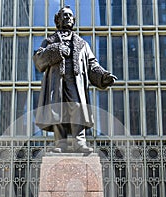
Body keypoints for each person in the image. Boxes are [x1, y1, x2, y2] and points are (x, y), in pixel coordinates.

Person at [33, 5, 117, 153]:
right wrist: (57, 50)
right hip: (56, 82)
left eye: (70, 16)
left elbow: (92, 64)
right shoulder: (50, 41)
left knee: (77, 108)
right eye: (65, 15)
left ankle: (80, 143)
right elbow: (38, 60)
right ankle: (60, 143)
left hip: (75, 82)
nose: (68, 18)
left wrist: (103, 76)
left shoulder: (82, 44)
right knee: (57, 110)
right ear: (57, 20)